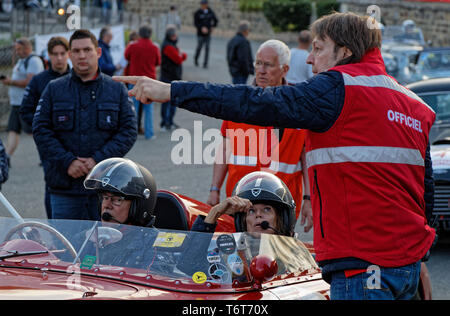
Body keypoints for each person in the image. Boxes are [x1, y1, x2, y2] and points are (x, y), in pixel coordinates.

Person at [114, 11, 436, 300]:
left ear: (345, 52)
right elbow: (425, 193)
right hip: (406, 267)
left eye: (318, 48)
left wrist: (170, 91)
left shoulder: (339, 86)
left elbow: (252, 102)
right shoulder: (413, 104)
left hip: (363, 271)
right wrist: (420, 257)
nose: (309, 60)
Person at [32, 29, 137, 222]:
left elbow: (129, 130)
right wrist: (67, 161)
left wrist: (98, 161)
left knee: (107, 247)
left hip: (106, 191)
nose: (82, 56)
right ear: (70, 54)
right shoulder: (54, 89)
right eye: (76, 51)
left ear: (98, 52)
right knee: (65, 247)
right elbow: (40, 129)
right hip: (64, 188)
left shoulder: (116, 89)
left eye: (87, 50)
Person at [208, 39, 312, 230]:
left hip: (281, 206)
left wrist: (308, 198)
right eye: (258, 63)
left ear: (285, 69)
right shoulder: (238, 102)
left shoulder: (298, 107)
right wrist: (214, 189)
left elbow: (307, 156)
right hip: (241, 203)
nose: (261, 70)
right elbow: (224, 148)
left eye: (268, 65)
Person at [20, 36, 71, 219]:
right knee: (54, 181)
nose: (59, 58)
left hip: (75, 142)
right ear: (48, 56)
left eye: (62, 54)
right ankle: (55, 226)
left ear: (68, 54)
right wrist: (44, 129)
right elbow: (25, 111)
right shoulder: (39, 81)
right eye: (55, 54)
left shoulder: (79, 78)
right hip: (49, 144)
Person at [193, 171, 296, 237]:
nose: (258, 215)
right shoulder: (228, 254)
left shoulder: (296, 257)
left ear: (281, 220)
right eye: (251, 211)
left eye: (266, 209)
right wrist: (215, 212)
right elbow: (188, 263)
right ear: (243, 223)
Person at [1, 37, 44, 161]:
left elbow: (30, 82)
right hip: (16, 103)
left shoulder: (34, 61)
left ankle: (47, 152)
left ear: (27, 48)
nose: (17, 52)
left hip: (26, 104)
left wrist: (11, 82)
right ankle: (7, 157)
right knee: (13, 130)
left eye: (19, 49)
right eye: (16, 49)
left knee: (33, 131)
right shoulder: (22, 61)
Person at [84, 157, 157, 227]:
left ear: (137, 209)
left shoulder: (152, 239)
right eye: (105, 198)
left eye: (118, 200)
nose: (107, 205)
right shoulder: (89, 236)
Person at [124, 25, 160, 140]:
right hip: (150, 81)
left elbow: (126, 56)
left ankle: (131, 133)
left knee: (133, 108)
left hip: (135, 80)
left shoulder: (132, 46)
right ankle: (149, 133)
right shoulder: (154, 47)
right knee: (149, 109)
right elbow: (158, 62)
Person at [160, 25, 187, 131]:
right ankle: (165, 122)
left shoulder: (171, 45)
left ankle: (169, 121)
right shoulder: (168, 46)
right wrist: (181, 55)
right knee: (167, 101)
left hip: (173, 76)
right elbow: (179, 59)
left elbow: (181, 56)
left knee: (173, 101)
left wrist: (181, 55)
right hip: (168, 77)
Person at [226, 20, 254, 84]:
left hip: (234, 71)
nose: (249, 32)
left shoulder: (232, 40)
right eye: (249, 30)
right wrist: (248, 71)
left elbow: (228, 57)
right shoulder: (243, 42)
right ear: (245, 30)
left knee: (236, 91)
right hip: (241, 73)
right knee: (240, 92)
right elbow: (243, 59)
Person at [193, 0, 218, 68]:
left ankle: (205, 63)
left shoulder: (210, 12)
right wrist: (201, 28)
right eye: (202, 4)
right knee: (199, 47)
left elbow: (216, 21)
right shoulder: (198, 12)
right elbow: (195, 23)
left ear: (206, 4)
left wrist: (213, 27)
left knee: (207, 48)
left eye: (204, 4)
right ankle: (196, 59)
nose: (203, 5)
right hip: (200, 34)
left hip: (208, 34)